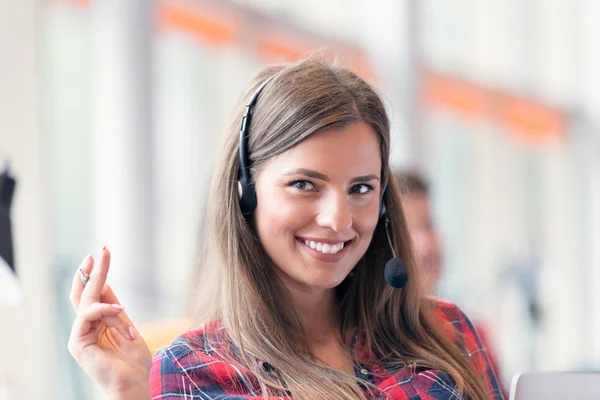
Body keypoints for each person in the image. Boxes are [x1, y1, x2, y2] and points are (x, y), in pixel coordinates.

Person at [68, 58, 504, 399]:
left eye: (361, 188)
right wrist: (125, 392)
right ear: (246, 193)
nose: (338, 219)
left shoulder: (445, 331)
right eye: (304, 185)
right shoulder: (195, 371)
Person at [395, 169, 508, 398]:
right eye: (407, 231)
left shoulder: (467, 331)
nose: (427, 245)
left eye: (428, 225)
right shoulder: (364, 346)